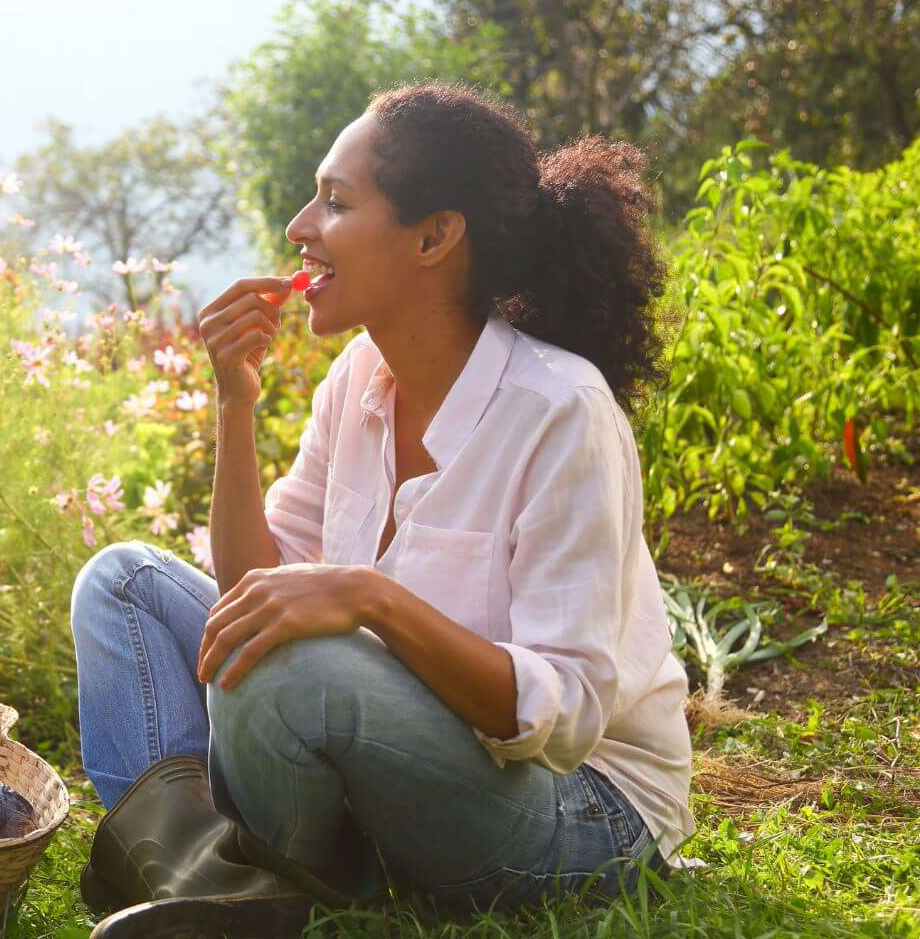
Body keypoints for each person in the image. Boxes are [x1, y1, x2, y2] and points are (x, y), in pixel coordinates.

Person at [70, 81, 695, 932]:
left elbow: (570, 716)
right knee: (123, 583)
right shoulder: (359, 377)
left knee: (291, 668)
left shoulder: (561, 412)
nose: (299, 227)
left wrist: (369, 597)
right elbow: (255, 587)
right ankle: (218, 884)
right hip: (400, 757)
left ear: (434, 236)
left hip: (577, 811)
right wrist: (234, 406)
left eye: (335, 202)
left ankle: (265, 884)